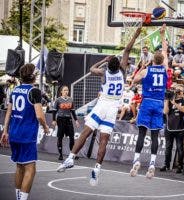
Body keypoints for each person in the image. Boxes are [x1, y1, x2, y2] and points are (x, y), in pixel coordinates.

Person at [56, 27, 142, 186]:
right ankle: (97, 169)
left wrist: (104, 60)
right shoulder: (122, 72)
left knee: (85, 133)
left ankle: (70, 158)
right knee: (103, 141)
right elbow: (128, 49)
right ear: (120, 66)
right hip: (113, 108)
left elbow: (91, 69)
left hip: (103, 104)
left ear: (108, 66)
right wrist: (136, 33)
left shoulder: (104, 72)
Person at [0, 63, 49, 200]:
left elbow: (8, 113)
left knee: (19, 167)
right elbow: (39, 115)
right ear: (33, 76)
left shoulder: (15, 90)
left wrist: (5, 131)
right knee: (30, 169)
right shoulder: (34, 91)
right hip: (27, 135)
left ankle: (18, 197)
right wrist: (45, 127)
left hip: (14, 133)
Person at [129, 24, 168, 179]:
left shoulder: (146, 71)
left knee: (141, 133)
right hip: (159, 103)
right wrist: (163, 34)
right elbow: (164, 50)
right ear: (162, 60)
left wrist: (137, 75)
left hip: (147, 102)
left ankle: (136, 160)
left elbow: (134, 79)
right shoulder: (165, 68)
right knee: (154, 135)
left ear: (152, 59)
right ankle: (152, 164)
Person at [160, 87, 184, 173]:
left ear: (183, 93)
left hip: (180, 128)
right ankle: (166, 165)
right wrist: (167, 100)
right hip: (169, 127)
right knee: (168, 147)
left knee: (180, 147)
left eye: (180, 91)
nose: (178, 93)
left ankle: (180, 166)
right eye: (177, 91)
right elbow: (165, 112)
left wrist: (175, 103)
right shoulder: (169, 100)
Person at [52, 85, 80, 160]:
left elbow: (73, 111)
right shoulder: (58, 100)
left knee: (71, 137)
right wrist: (54, 120)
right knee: (60, 137)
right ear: (61, 92)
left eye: (67, 90)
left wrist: (76, 120)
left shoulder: (71, 99)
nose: (66, 92)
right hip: (60, 120)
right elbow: (54, 111)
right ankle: (60, 154)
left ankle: (72, 154)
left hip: (69, 120)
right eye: (64, 90)